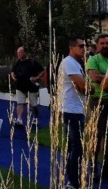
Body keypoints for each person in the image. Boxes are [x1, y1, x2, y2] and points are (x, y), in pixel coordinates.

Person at [60, 37, 90, 189]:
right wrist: (89, 84)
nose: (84, 48)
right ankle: (73, 182)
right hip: (71, 110)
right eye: (81, 46)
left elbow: (82, 87)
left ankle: (72, 179)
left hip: (74, 109)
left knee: (73, 146)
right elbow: (84, 87)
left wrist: (85, 85)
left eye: (85, 45)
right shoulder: (69, 62)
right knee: (76, 147)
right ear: (72, 47)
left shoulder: (76, 64)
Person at [86, 33, 108, 179]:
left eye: (107, 43)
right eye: (102, 43)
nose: (105, 46)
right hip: (98, 101)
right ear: (97, 45)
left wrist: (103, 76)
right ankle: (94, 169)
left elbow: (102, 79)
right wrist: (104, 78)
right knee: (97, 135)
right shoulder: (93, 59)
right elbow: (94, 77)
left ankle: (105, 169)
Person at [10, 46, 45, 126]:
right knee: (19, 103)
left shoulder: (33, 62)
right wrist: (13, 76)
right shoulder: (17, 62)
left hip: (31, 87)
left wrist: (37, 78)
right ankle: (19, 120)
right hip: (20, 86)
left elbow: (43, 71)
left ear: (25, 52)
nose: (18, 54)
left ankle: (35, 118)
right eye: (17, 53)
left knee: (34, 104)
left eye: (20, 52)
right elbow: (13, 71)